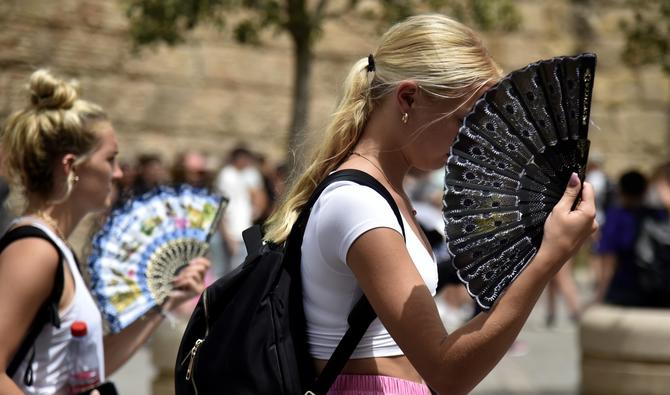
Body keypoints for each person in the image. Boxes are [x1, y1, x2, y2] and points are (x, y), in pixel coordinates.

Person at [264, 14, 597, 394]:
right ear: (407, 98)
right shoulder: (358, 205)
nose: (469, 141)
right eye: (462, 121)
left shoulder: (382, 195)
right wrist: (549, 259)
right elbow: (446, 373)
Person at [0, 69, 209, 394]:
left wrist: (163, 302)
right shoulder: (33, 251)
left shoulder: (54, 247)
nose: (119, 172)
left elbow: (90, 369)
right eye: (110, 159)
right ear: (71, 167)